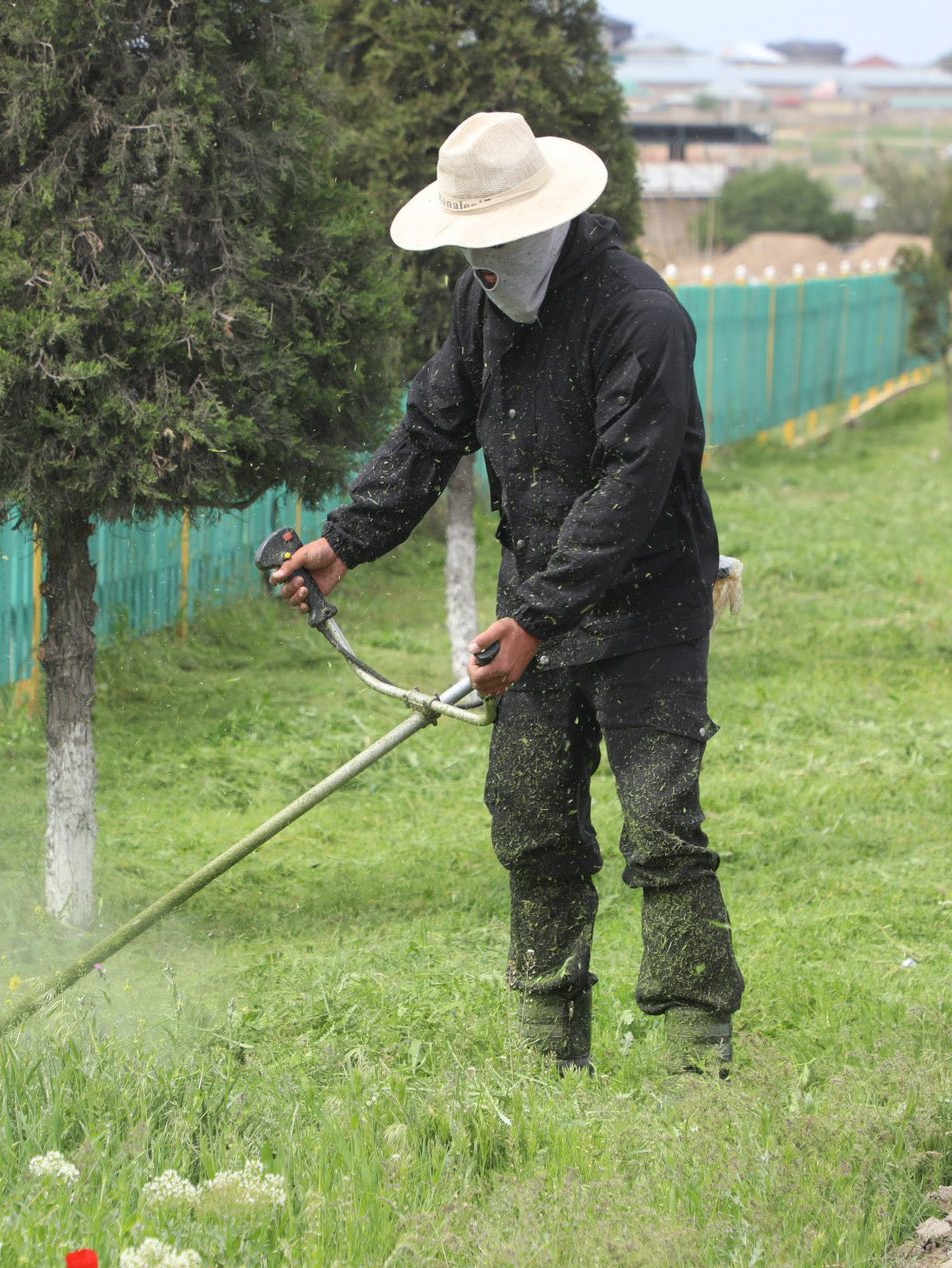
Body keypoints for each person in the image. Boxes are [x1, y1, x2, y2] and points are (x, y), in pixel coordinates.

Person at [270, 112, 741, 1078]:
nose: (480, 260)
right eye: (467, 244)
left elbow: (630, 487)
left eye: (494, 243)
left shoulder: (639, 318)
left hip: (648, 608)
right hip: (535, 612)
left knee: (661, 827)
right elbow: (431, 427)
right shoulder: (482, 307)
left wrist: (533, 618)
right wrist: (346, 542)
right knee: (531, 824)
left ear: (549, 220)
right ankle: (547, 1050)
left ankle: (699, 1056)